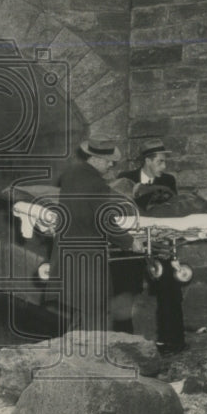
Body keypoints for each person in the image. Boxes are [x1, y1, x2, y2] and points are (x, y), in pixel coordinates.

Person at [51, 139, 142, 332]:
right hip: (88, 256)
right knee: (95, 309)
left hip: (67, 251)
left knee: (77, 308)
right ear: (96, 158)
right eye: (109, 161)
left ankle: (73, 354)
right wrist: (130, 241)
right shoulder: (96, 183)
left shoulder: (70, 174)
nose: (112, 165)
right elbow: (105, 220)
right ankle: (93, 357)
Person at [115, 138, 186, 354]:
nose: (164, 167)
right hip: (131, 243)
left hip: (158, 242)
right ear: (147, 161)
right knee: (122, 288)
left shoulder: (168, 181)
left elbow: (170, 209)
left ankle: (173, 342)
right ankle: (123, 343)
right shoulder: (124, 179)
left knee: (170, 287)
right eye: (161, 162)